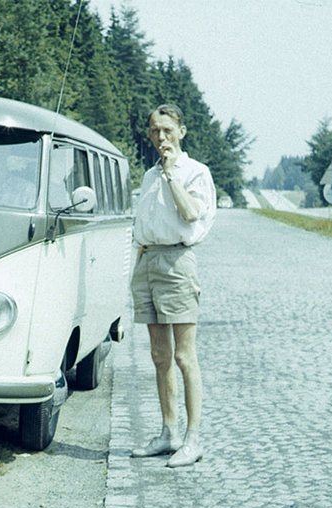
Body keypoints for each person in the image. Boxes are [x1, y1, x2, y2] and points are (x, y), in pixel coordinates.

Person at [128, 103, 217, 469]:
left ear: (181, 131)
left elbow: (191, 213)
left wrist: (170, 174)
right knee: (159, 356)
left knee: (184, 356)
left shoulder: (194, 172)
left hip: (178, 263)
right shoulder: (149, 176)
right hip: (148, 261)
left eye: (166, 130)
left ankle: (193, 439)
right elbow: (141, 228)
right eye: (153, 130)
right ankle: (169, 433)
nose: (160, 137)